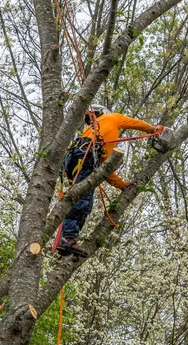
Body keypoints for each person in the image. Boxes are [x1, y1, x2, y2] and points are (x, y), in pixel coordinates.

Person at [57, 105, 163, 257]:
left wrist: (121, 185)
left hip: (74, 158)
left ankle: (69, 238)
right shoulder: (112, 117)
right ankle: (68, 238)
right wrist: (151, 129)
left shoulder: (91, 131)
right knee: (83, 200)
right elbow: (133, 122)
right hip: (85, 157)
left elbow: (104, 169)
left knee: (84, 201)